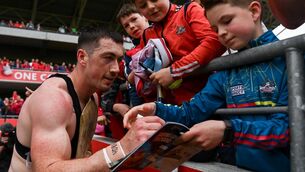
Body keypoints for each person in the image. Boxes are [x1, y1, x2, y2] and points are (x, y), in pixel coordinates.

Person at [124, 0, 292, 171]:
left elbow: (289, 130)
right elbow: (190, 113)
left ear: (254, 12)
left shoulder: (291, 60)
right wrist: (155, 109)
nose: (222, 34)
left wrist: (227, 131)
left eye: (227, 21)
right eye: (215, 30)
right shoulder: (224, 72)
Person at [9, 27, 165, 172]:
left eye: (118, 59)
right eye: (108, 58)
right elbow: (46, 169)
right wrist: (121, 148)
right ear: (82, 57)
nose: (116, 69)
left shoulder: (93, 98)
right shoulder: (54, 99)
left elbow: (81, 154)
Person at [130, 0, 226, 105]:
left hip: (210, 99)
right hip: (172, 109)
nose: (150, 7)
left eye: (154, 0)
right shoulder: (146, 34)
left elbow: (215, 42)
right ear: (139, 10)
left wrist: (174, 71)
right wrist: (138, 75)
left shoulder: (189, 10)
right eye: (143, 6)